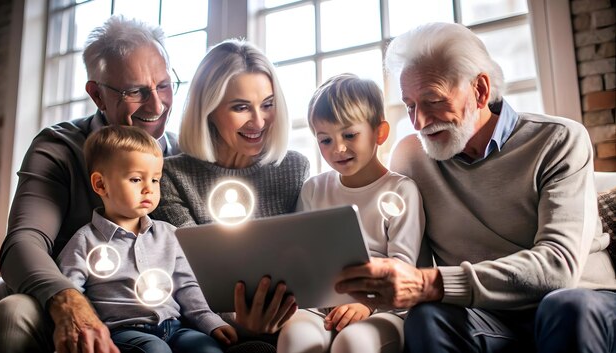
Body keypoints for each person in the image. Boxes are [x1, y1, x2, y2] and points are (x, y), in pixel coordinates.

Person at [334, 22, 616, 353]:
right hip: (488, 316)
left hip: (583, 301)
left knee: (566, 309)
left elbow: (558, 268)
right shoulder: (412, 157)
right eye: (410, 105)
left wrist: (432, 283)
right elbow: (409, 260)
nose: (419, 122)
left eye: (433, 100)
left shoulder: (559, 140)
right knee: (426, 317)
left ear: (480, 90)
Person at [0, 16, 179, 353]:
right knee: (13, 312)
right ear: (97, 95)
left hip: (160, 312)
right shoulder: (59, 147)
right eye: (135, 91)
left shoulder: (183, 154)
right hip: (71, 294)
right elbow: (23, 242)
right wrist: (69, 300)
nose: (157, 104)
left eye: (164, 85)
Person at [151, 39, 310, 350]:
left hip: (292, 323)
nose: (259, 121)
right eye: (241, 107)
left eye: (267, 104)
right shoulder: (171, 176)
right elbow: (191, 274)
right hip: (208, 330)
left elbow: (306, 263)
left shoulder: (293, 168)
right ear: (208, 110)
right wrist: (236, 321)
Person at [277, 73, 425, 353]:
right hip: (320, 307)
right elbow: (299, 258)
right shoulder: (313, 190)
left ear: (379, 133)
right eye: (325, 140)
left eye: (349, 135)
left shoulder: (401, 190)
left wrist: (366, 303)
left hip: (383, 309)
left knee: (352, 343)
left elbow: (402, 266)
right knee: (296, 340)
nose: (338, 149)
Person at [57, 126, 236, 353]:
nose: (148, 189)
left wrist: (210, 322)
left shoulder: (169, 234)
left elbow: (187, 285)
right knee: (155, 349)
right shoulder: (85, 240)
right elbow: (69, 290)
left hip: (175, 327)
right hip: (123, 332)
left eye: (155, 180)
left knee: (206, 348)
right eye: (135, 179)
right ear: (101, 185)